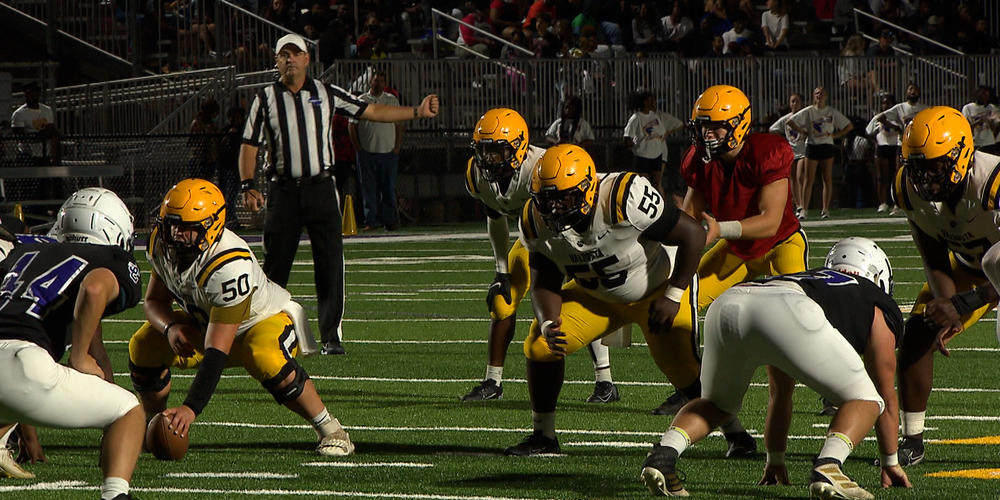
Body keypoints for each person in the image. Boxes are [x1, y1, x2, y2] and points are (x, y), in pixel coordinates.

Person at [504, 144, 754, 457]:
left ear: (587, 189)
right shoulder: (534, 220)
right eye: (545, 200)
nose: (552, 209)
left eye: (562, 199)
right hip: (596, 297)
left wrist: (673, 295)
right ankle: (543, 435)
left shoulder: (623, 196)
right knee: (541, 345)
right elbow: (545, 281)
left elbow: (691, 234)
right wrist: (548, 320)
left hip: (656, 289)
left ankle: (736, 433)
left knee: (684, 370)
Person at [640, 237, 912, 499]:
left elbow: (780, 394)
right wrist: (890, 461)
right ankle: (829, 465)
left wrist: (776, 458)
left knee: (717, 404)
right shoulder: (874, 300)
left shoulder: (813, 282)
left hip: (730, 303)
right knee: (866, 399)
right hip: (789, 308)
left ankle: (664, 455)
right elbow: (886, 396)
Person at [239, 34, 439, 356]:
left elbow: (370, 111)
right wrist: (247, 184)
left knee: (330, 263)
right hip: (283, 190)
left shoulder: (326, 92)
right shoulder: (265, 98)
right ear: (276, 61)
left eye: (295, 54)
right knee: (275, 266)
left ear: (307, 59)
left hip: (320, 187)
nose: (289, 60)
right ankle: (267, 331)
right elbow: (248, 144)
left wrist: (416, 111)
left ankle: (330, 335)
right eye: (283, 55)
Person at [128, 178, 354, 457]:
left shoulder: (229, 265)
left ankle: (330, 428)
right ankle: (153, 423)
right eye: (171, 223)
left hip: (261, 322)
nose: (176, 233)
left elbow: (216, 352)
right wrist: (171, 327)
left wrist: (190, 408)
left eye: (187, 227)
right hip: (207, 324)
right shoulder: (162, 245)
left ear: (212, 226)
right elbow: (154, 301)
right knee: (144, 344)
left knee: (262, 354)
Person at [667, 85, 805, 423]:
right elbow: (689, 219)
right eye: (702, 126)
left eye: (716, 126)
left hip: (780, 246)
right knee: (679, 298)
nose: (707, 134)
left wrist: (719, 231)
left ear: (740, 124)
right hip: (736, 251)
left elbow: (770, 222)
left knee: (804, 322)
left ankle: (836, 386)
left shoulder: (767, 151)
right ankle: (691, 385)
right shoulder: (698, 161)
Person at [460, 109, 619, 404]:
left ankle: (605, 380)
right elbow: (495, 216)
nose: (488, 159)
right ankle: (492, 381)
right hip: (531, 239)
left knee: (581, 295)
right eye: (483, 150)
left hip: (566, 237)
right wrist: (501, 270)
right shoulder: (476, 175)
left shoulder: (543, 167)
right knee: (501, 300)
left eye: (496, 151)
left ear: (519, 146)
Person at [0, 187, 143, 500]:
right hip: (22, 363)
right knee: (129, 411)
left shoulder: (23, 251)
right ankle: (115, 495)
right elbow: (93, 289)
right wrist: (78, 358)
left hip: (12, 363)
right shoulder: (111, 258)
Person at [891, 106, 1000, 466]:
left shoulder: (993, 181)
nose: (924, 177)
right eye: (916, 166)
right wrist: (947, 304)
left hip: (994, 264)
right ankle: (912, 439)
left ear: (962, 154)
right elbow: (933, 254)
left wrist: (967, 302)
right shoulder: (908, 190)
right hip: (972, 264)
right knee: (920, 328)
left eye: (934, 165)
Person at [348, 70, 404, 231]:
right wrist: (358, 148)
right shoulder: (362, 100)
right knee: (368, 188)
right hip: (367, 152)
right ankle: (371, 221)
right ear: (370, 83)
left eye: (380, 81)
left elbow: (399, 125)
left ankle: (389, 220)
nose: (377, 83)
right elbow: (352, 125)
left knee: (388, 188)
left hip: (388, 152)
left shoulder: (391, 100)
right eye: (375, 80)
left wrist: (397, 147)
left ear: (385, 84)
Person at [788, 86, 853, 220]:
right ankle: (804, 210)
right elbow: (790, 121)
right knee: (808, 179)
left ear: (826, 96)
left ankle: (825, 209)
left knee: (826, 178)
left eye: (822, 93)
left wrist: (835, 135)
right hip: (812, 146)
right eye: (817, 93)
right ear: (813, 96)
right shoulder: (808, 111)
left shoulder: (831, 112)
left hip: (827, 145)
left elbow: (848, 126)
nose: (819, 96)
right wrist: (804, 132)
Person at [873, 83, 927, 214]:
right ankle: (898, 203)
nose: (913, 91)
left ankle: (920, 202)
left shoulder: (925, 109)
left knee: (920, 175)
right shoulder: (900, 107)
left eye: (915, 89)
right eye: (910, 89)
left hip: (921, 145)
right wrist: (896, 127)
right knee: (900, 174)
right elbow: (880, 117)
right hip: (903, 145)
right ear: (906, 92)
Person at [624, 91, 684, 197]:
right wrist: (636, 143)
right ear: (643, 102)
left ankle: (661, 209)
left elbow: (662, 131)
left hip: (656, 155)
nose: (653, 102)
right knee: (644, 185)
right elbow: (628, 138)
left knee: (656, 184)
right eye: (649, 100)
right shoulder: (636, 118)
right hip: (643, 155)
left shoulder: (654, 116)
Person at [769, 92, 807, 216]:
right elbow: (772, 129)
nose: (795, 104)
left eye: (797, 101)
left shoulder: (805, 116)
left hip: (803, 152)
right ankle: (798, 205)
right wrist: (783, 141)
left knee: (800, 176)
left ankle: (803, 204)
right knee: (792, 179)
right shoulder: (787, 119)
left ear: (802, 104)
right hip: (791, 152)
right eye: (792, 101)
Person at [11, 81, 60, 166]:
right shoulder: (19, 113)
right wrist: (38, 136)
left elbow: (51, 131)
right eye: (29, 93)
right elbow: (19, 136)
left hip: (44, 154)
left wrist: (54, 156)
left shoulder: (47, 110)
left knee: (45, 177)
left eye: (35, 92)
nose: (32, 96)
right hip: (27, 155)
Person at [865, 93, 899, 214]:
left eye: (888, 103)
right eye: (884, 103)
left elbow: (900, 129)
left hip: (895, 147)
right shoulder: (877, 118)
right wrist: (875, 141)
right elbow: (868, 131)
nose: (886, 105)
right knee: (882, 177)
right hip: (882, 147)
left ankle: (897, 203)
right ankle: (883, 203)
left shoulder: (897, 117)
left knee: (896, 176)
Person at [218, 106, 245, 228]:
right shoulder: (227, 130)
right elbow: (221, 145)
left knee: (232, 196)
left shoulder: (241, 130)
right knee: (227, 195)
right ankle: (228, 219)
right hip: (227, 165)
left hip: (235, 166)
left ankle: (231, 219)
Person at [187, 97, 220, 180]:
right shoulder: (197, 123)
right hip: (198, 158)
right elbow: (190, 141)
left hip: (210, 158)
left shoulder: (213, 125)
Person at [962, 85, 1000, 155]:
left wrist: (990, 122)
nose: (985, 97)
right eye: (982, 94)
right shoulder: (968, 108)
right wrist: (978, 122)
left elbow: (996, 129)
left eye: (987, 95)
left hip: (989, 143)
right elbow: (965, 127)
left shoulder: (991, 108)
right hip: (975, 143)